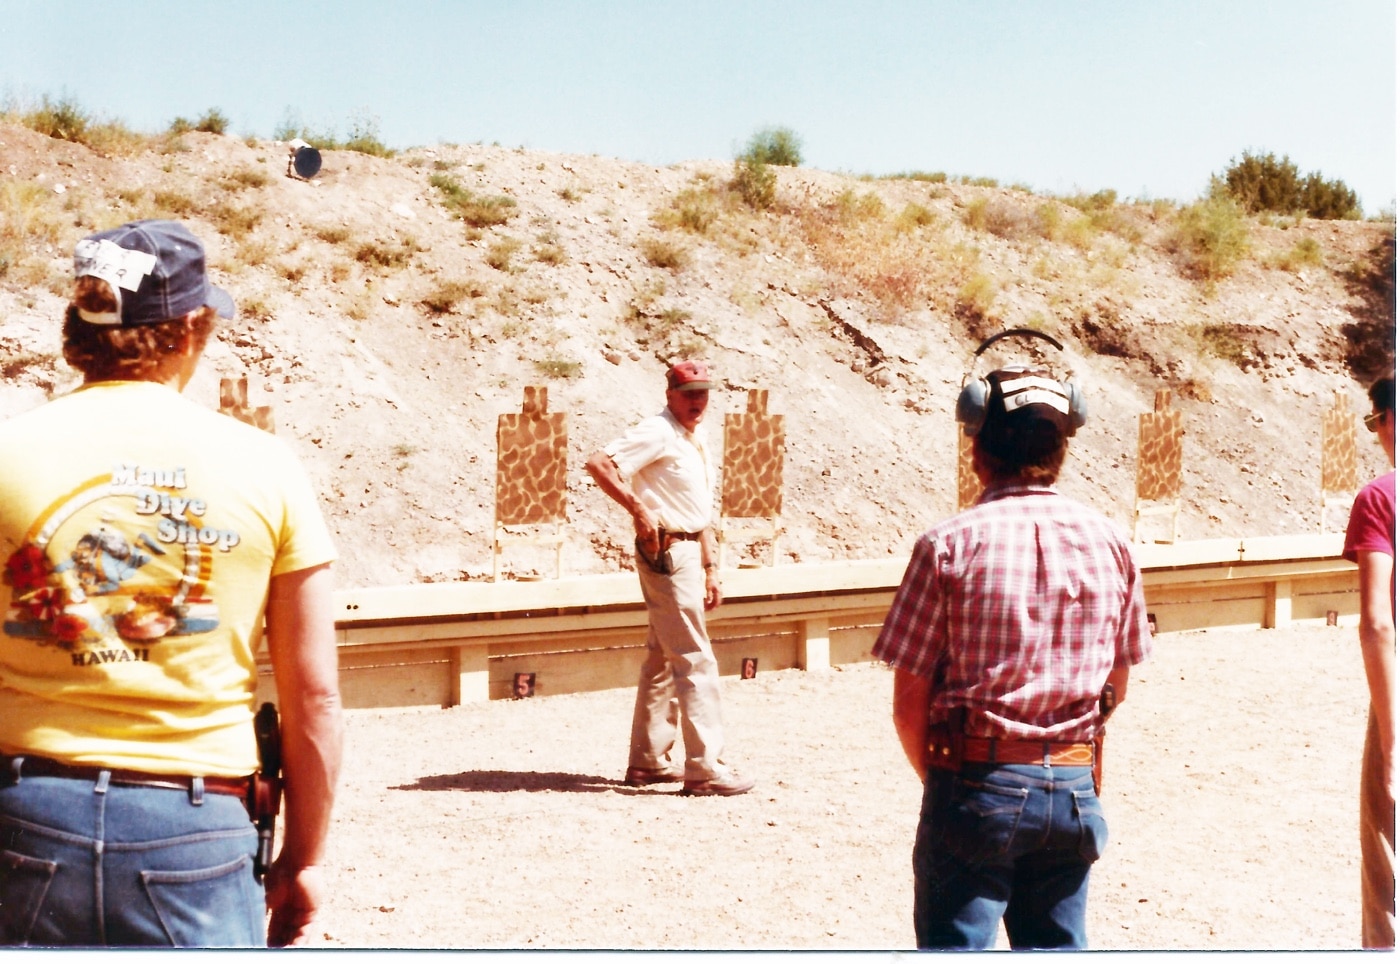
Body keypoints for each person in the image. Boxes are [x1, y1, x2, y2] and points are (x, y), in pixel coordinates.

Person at [0, 220, 343, 947]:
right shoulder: (266, 464)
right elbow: (314, 693)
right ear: (191, 328)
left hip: (24, 811)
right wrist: (304, 858)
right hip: (195, 824)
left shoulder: (9, 451)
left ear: (78, 325)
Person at [873, 364, 1152, 949]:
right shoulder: (1113, 543)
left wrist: (957, 787)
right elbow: (1115, 688)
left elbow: (908, 708)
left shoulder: (946, 545)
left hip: (976, 778)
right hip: (1075, 786)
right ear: (1062, 447)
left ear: (977, 446)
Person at [585, 360, 754, 796]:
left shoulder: (692, 439)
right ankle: (705, 767)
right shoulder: (658, 431)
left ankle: (648, 762)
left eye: (703, 393)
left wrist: (712, 566)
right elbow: (599, 463)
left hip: (686, 549)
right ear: (670, 395)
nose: (698, 401)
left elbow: (699, 511)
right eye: (689, 393)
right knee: (695, 658)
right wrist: (637, 508)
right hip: (665, 549)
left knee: (663, 658)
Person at [1343, 374, 1396, 949]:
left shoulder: (1381, 496)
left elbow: (1379, 622)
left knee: (1388, 877)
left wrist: (1391, 736)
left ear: (1386, 420)